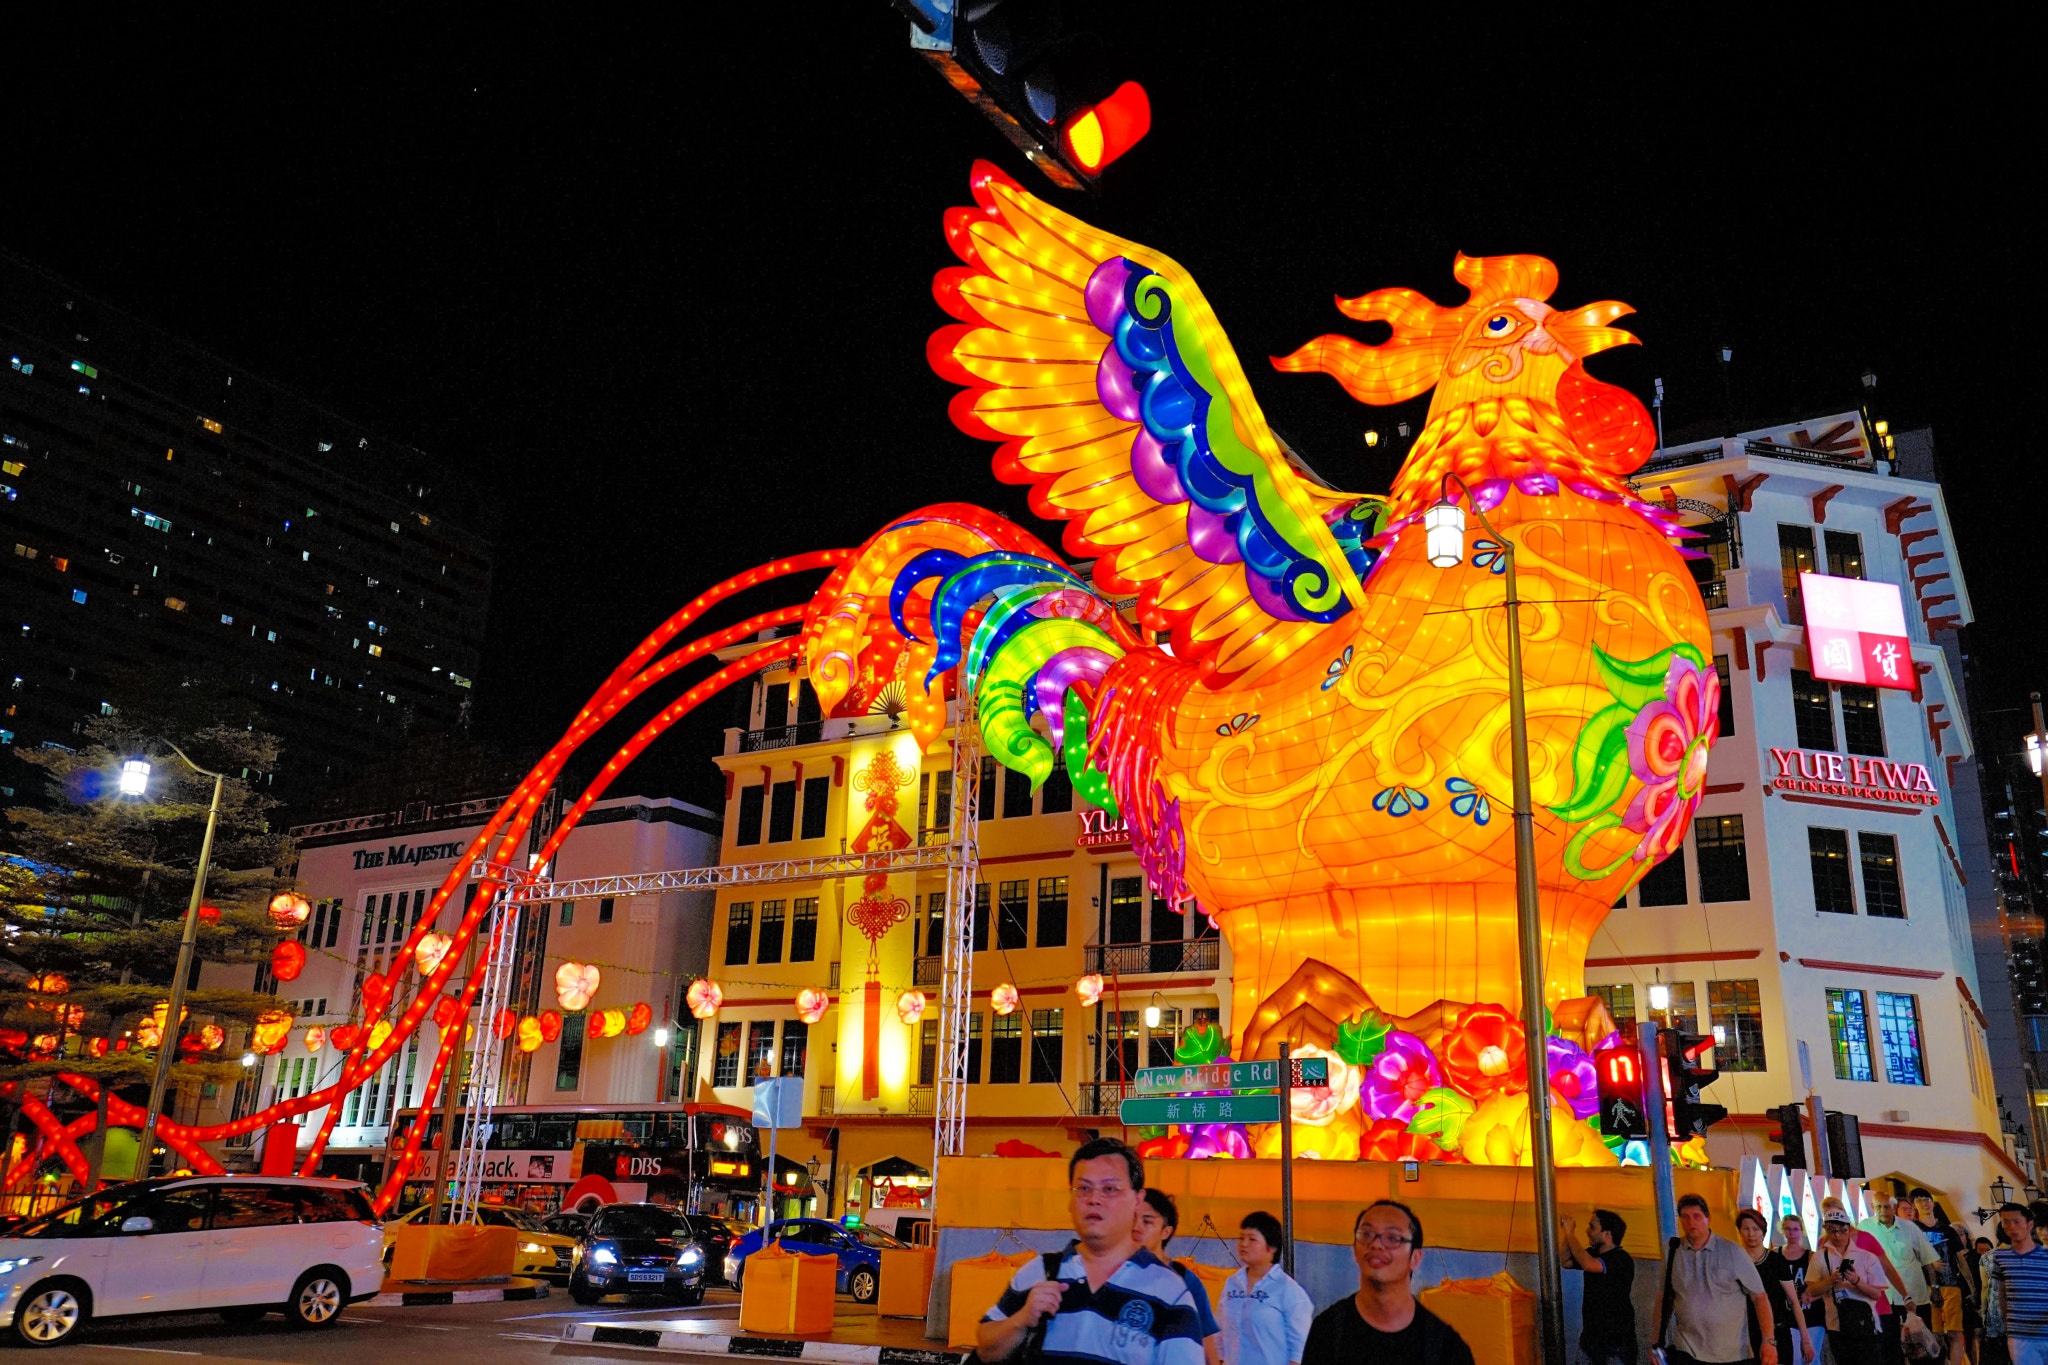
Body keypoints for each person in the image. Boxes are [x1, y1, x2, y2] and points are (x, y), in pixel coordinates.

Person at [977, 1137, 1205, 1365]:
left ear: (1138, 1199)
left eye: (1109, 1189)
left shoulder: (1170, 1291)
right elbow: (986, 1349)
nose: (1094, 1199)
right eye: (1083, 1188)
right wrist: (1022, 1319)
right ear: (1070, 1199)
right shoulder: (1040, 1272)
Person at [1302, 1200, 1474, 1365]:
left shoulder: (1446, 1348)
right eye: (1366, 1234)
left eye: (1392, 1238)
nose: (1376, 1244)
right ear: (1355, 1249)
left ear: (1415, 1258)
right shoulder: (1328, 1332)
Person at [1657, 1191, 1775, 1365]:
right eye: (1685, 1217)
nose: (1691, 1222)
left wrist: (1768, 1341)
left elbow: (1759, 1296)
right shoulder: (1673, 1251)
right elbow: (1663, 1297)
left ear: (1708, 1219)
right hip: (1687, 1348)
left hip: (1729, 1353)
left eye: (1697, 1216)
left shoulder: (1732, 1251)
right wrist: (1656, 1342)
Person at [1136, 1189, 1224, 1365]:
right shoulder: (1117, 1275)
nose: (1136, 1227)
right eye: (1132, 1219)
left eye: (1147, 1222)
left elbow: (1207, 1346)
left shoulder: (1185, 1281)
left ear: (1166, 1232)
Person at [1219, 1211, 1313, 1365]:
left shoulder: (1289, 1291)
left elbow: (1299, 1351)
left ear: (1272, 1247)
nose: (1243, 1244)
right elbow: (1220, 1337)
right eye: (1241, 1238)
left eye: (1252, 1239)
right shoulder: (1232, 1284)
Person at [1864, 1187, 1941, 1365]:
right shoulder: (1865, 1228)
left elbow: (1927, 1260)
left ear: (1894, 1207)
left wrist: (1935, 1288)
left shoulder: (1910, 1228)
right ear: (1872, 1207)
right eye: (1878, 1207)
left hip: (1913, 1297)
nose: (1883, 1211)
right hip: (1883, 1298)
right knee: (1888, 1348)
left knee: (1921, 1348)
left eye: (1886, 1207)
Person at [1812, 1207, 1893, 1365]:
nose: (1838, 1235)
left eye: (1842, 1230)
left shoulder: (1866, 1256)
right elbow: (1812, 1291)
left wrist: (1856, 1281)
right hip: (1837, 1325)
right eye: (1832, 1230)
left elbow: (1876, 1293)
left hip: (1864, 1324)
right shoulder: (1822, 1256)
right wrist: (1830, 1280)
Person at [1560, 1208, 1636, 1365]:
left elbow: (1589, 1265)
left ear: (1607, 1234)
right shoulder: (1592, 1253)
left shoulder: (1621, 1258)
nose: (1587, 1231)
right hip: (1590, 1340)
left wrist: (1570, 1234)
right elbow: (1565, 1261)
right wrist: (1568, 1236)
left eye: (1592, 1227)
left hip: (1615, 1344)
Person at [1910, 1187, 1971, 1365]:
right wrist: (1928, 1262)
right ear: (1914, 1205)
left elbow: (1960, 1258)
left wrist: (1970, 1286)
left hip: (1951, 1284)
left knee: (1954, 1331)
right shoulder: (1913, 1229)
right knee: (1934, 1333)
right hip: (1925, 1286)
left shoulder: (1948, 1230)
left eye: (1927, 1199)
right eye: (1919, 1200)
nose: (1924, 1203)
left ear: (1933, 1203)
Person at [1737, 1208, 1806, 1365]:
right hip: (1746, 1334)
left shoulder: (1776, 1260)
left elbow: (1794, 1302)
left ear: (1763, 1231)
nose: (1751, 1234)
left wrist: (1805, 1340)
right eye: (1746, 1229)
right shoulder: (1736, 1260)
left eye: (1756, 1229)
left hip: (1778, 1332)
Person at [1990, 1203, 2048, 1365]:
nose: (2012, 1227)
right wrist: (2006, 1324)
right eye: (2006, 1222)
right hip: (2020, 1334)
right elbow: (2001, 1293)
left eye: (2017, 1221)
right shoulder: (2001, 1257)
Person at [1782, 1213, 1827, 1365]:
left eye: (1795, 1229)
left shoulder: (1811, 1256)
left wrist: (1814, 1296)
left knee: (1812, 1359)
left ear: (1801, 1231)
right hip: (1787, 1315)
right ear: (1783, 1230)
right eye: (1788, 1229)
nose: (1792, 1233)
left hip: (1811, 1314)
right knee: (1794, 1359)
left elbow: (1824, 1286)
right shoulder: (1776, 1255)